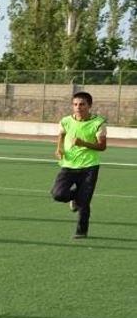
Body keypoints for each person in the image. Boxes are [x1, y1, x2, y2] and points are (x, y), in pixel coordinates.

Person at [50, 91, 107, 239]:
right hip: (68, 165)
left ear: (89, 106)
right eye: (75, 104)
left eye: (82, 104)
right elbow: (61, 135)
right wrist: (59, 148)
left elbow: (102, 146)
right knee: (58, 194)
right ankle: (75, 197)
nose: (78, 107)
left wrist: (83, 143)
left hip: (89, 167)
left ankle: (81, 231)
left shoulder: (98, 123)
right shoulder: (66, 121)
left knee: (85, 202)